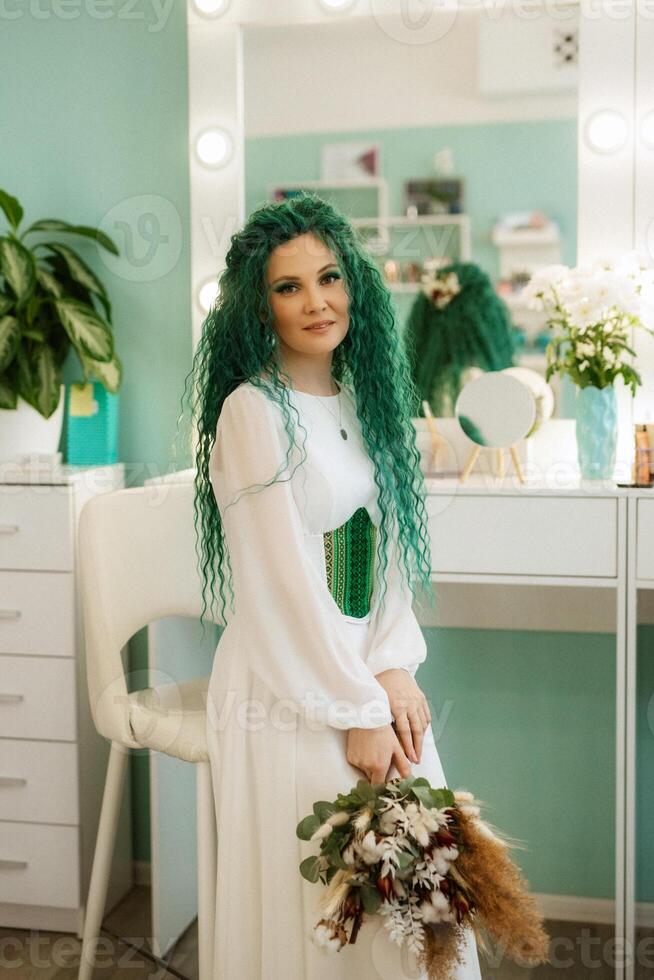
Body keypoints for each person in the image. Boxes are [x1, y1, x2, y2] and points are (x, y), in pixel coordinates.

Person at [186, 194, 482, 978]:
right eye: (289, 287)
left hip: (359, 671)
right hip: (286, 681)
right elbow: (280, 583)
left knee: (418, 867)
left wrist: (389, 667)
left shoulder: (362, 401)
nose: (317, 301)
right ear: (259, 305)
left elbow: (385, 555)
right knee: (337, 891)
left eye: (329, 277)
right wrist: (353, 705)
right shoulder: (253, 412)